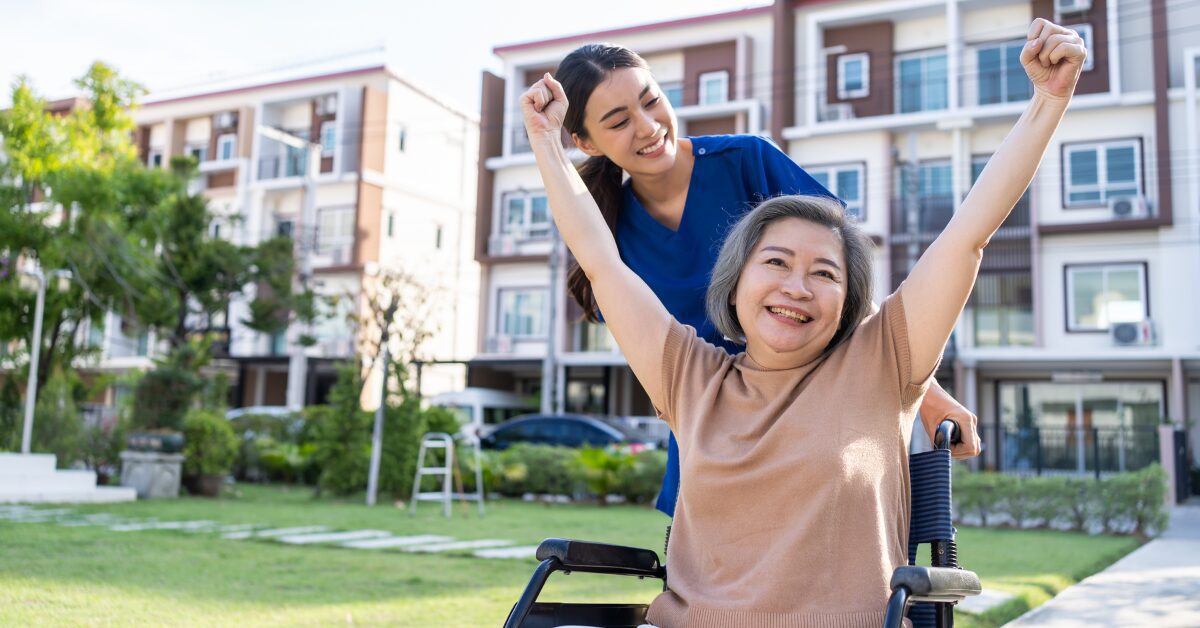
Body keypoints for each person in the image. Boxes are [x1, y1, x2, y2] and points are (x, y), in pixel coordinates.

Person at [521, 17, 1085, 626]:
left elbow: (969, 232)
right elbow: (600, 261)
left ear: (850, 297)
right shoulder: (690, 378)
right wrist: (544, 141)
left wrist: (1048, 101)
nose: (796, 285)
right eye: (777, 263)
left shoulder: (877, 365)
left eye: (824, 274)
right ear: (733, 281)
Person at [549, 43, 980, 518]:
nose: (648, 127)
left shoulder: (745, 161)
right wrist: (541, 136)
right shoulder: (608, 234)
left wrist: (927, 395)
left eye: (651, 101)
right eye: (618, 121)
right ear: (586, 142)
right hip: (710, 426)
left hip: (811, 404)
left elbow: (838, 280)